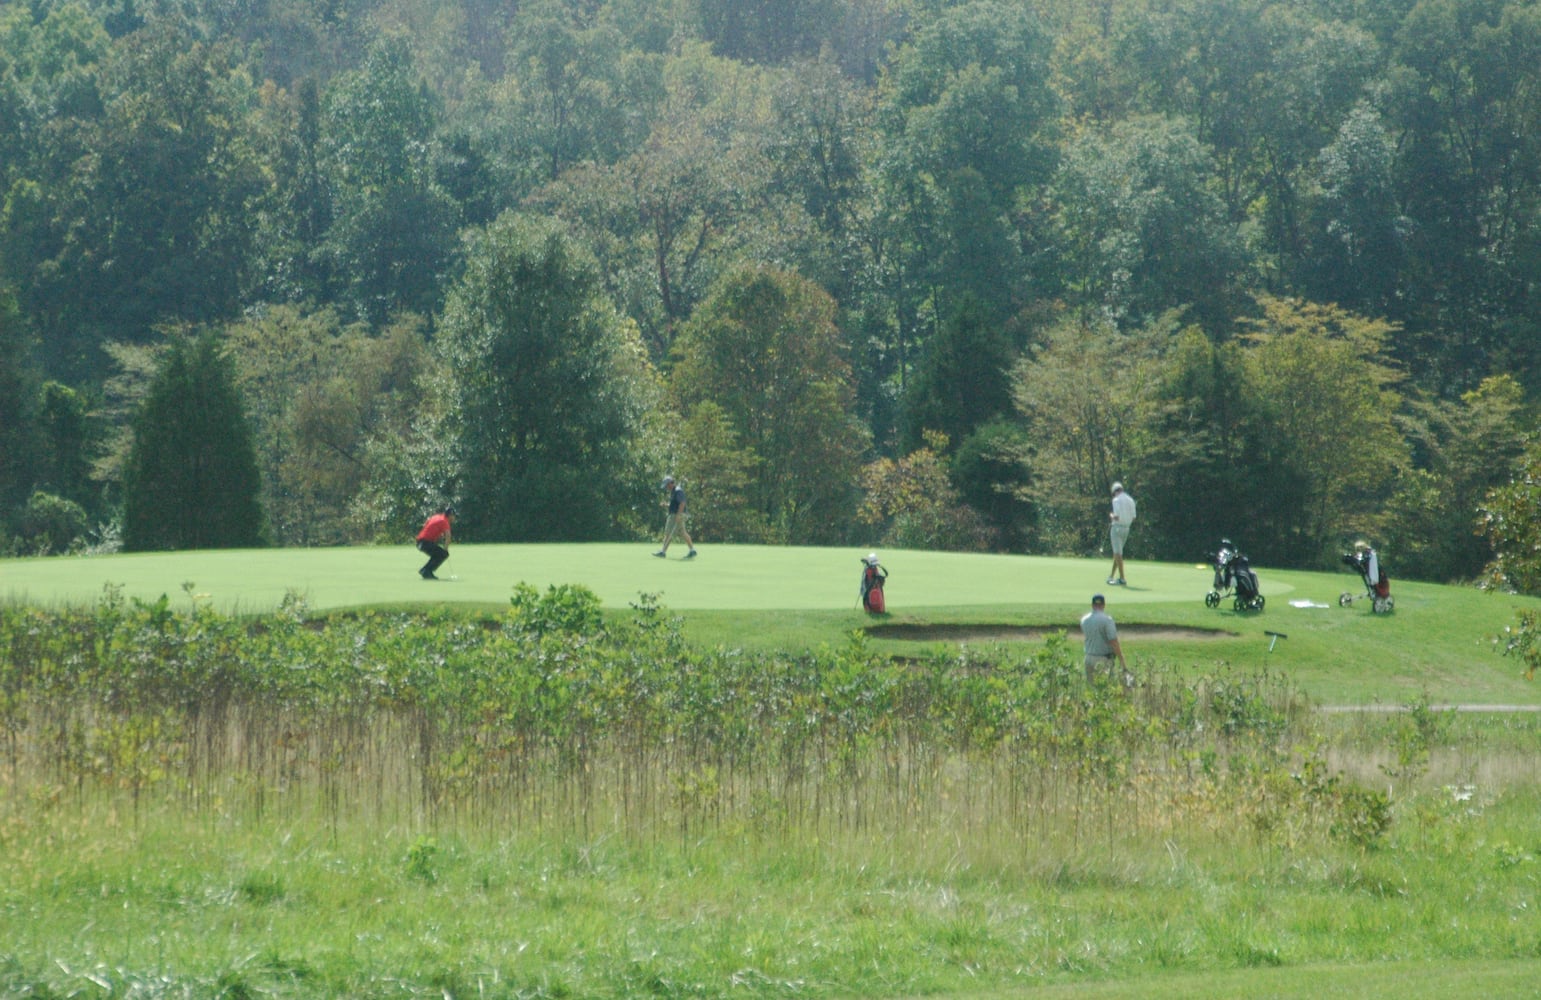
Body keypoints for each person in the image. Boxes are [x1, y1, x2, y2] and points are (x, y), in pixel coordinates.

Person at [1080, 593, 1128, 685]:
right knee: (1105, 689)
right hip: (1103, 659)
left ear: (1092, 605)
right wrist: (1122, 660)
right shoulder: (1107, 620)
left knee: (1092, 690)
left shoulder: (1084, 620)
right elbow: (1113, 641)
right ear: (1104, 605)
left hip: (1088, 657)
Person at [653, 475, 697, 559]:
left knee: (668, 533)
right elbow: (675, 504)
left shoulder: (678, 491)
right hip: (676, 514)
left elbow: (682, 503)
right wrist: (666, 505)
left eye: (667, 485)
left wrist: (678, 515)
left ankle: (663, 552)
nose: (666, 487)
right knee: (682, 533)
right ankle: (692, 550)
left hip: (676, 515)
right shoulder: (674, 492)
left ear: (670, 483)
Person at [1107, 481, 1136, 585]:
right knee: (1118, 553)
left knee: (1117, 553)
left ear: (1115, 491)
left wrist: (1111, 515)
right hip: (1126, 529)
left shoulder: (1116, 500)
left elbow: (1116, 516)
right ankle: (1111, 576)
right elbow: (1133, 518)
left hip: (1117, 528)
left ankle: (1122, 578)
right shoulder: (1131, 500)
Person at [415, 506, 455, 580]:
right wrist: (445, 549)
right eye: (453, 516)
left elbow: (426, 525)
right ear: (450, 516)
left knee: (437, 554)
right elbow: (448, 536)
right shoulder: (445, 521)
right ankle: (426, 571)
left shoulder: (436, 517)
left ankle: (425, 570)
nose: (454, 518)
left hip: (420, 542)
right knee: (443, 554)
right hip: (425, 542)